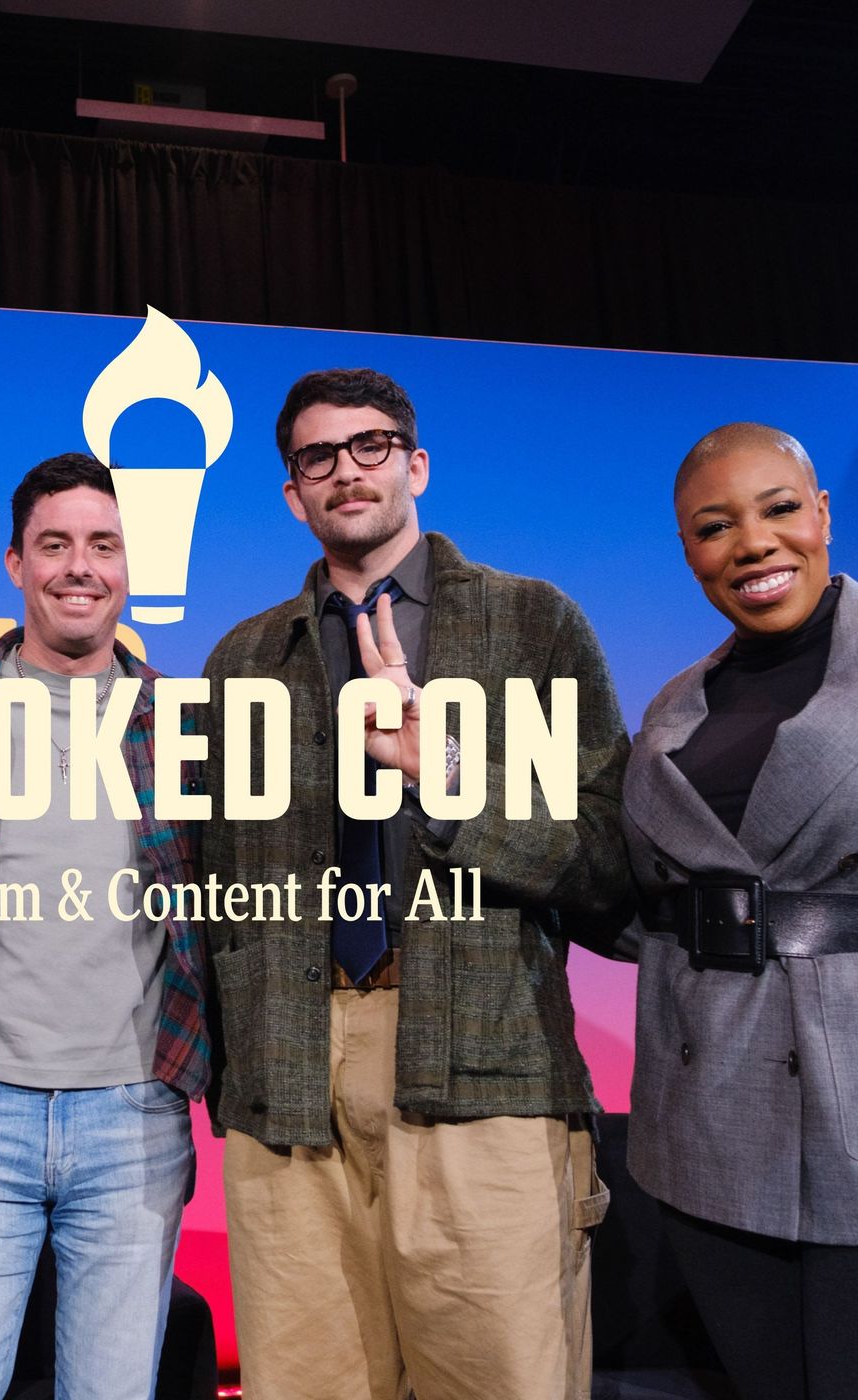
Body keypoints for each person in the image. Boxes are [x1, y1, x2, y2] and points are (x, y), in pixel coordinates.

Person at [200, 368, 631, 1400]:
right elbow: (218, 885)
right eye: (317, 456)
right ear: (291, 493)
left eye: (371, 445)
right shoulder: (243, 657)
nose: (346, 470)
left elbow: (608, 863)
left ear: (416, 464)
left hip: (485, 1071)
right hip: (287, 1081)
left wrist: (440, 772)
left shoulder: (532, 623)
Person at [0, 453, 209, 1400]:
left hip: (136, 1124)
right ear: (16, 563)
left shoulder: (183, 724)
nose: (80, 567)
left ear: (130, 565)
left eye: (104, 545)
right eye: (55, 544)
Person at [623, 422, 858, 1400]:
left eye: (777, 509)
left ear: (822, 515)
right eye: (714, 526)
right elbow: (630, 898)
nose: (752, 544)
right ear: (687, 551)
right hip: (706, 1116)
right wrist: (447, 775)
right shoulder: (676, 704)